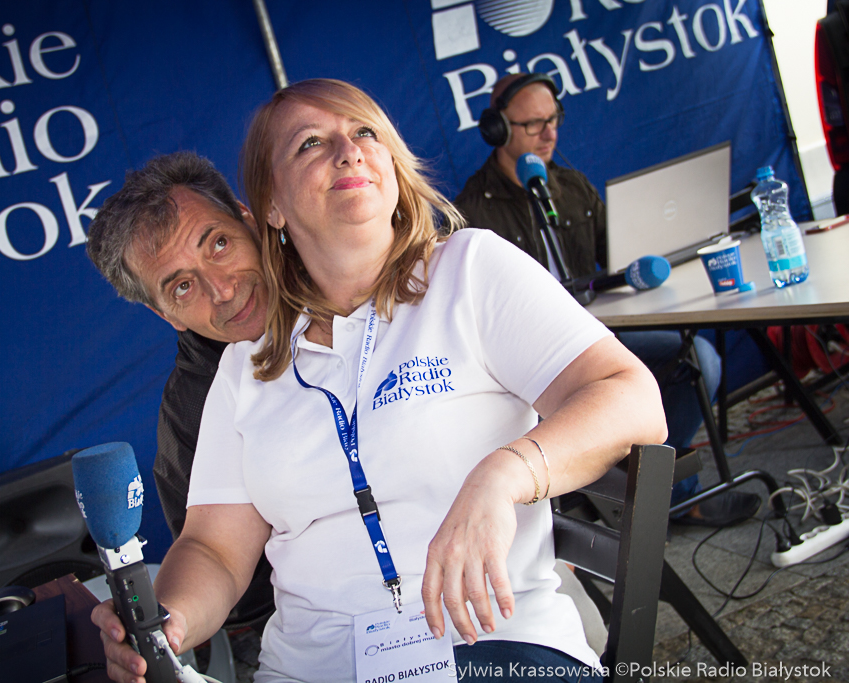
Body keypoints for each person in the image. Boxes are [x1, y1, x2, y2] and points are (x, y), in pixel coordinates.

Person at [94, 78, 667, 683]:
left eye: (364, 131)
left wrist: (505, 475)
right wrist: (169, 621)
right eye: (311, 144)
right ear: (271, 207)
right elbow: (213, 547)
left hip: (485, 644)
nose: (348, 152)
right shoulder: (243, 364)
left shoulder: (468, 270)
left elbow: (632, 398)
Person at [454, 73, 760, 525]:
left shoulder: (571, 187)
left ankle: (650, 493)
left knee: (698, 359)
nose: (549, 134)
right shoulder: (473, 211)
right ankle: (656, 498)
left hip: (596, 336)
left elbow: (614, 258)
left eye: (554, 120)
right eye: (534, 124)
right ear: (497, 130)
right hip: (531, 360)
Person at [86, 151, 275, 625]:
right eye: (183, 287)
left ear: (248, 220)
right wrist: (168, 621)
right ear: (164, 314)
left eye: (218, 245)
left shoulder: (353, 281)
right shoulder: (192, 412)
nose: (222, 290)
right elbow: (226, 578)